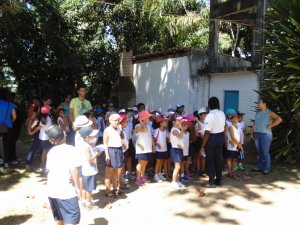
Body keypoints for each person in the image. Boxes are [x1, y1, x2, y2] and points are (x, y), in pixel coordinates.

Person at [46, 125, 81, 225]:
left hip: (52, 191)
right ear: (64, 134)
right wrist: (78, 188)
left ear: (52, 141)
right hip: (66, 192)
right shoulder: (71, 150)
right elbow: (74, 170)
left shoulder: (51, 152)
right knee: (72, 220)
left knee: (60, 218)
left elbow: (50, 171)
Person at [251, 98, 282, 175]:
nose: (258, 104)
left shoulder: (269, 113)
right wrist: (252, 133)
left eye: (259, 103)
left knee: (265, 152)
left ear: (264, 104)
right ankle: (259, 167)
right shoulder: (257, 113)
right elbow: (254, 124)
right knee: (259, 152)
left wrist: (271, 125)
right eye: (258, 103)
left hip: (266, 135)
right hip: (257, 134)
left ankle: (267, 168)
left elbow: (279, 119)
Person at [200, 97, 226, 188]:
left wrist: (202, 146)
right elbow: (223, 126)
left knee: (210, 160)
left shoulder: (209, 116)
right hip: (220, 136)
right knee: (218, 159)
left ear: (209, 104)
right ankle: (218, 180)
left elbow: (207, 132)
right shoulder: (222, 113)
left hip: (212, 138)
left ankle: (211, 182)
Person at [79, 126, 100, 210]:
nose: (94, 137)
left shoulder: (85, 144)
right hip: (89, 170)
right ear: (87, 137)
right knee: (89, 188)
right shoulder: (86, 146)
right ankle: (88, 205)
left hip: (86, 169)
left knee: (86, 186)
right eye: (92, 135)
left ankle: (85, 201)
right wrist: (96, 154)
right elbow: (89, 160)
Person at [103, 113, 124, 197]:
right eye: (115, 120)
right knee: (109, 171)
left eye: (118, 120)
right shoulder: (107, 130)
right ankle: (107, 191)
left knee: (116, 171)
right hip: (111, 150)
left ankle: (115, 188)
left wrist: (121, 129)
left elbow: (122, 138)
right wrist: (107, 155)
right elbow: (105, 143)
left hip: (118, 149)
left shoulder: (118, 129)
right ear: (110, 121)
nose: (117, 122)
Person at [29, 105, 52, 173]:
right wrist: (32, 132)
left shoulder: (45, 118)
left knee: (44, 152)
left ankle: (43, 166)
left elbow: (39, 127)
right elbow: (39, 127)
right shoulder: (46, 118)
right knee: (44, 152)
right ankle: (43, 167)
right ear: (48, 111)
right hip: (46, 138)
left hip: (44, 137)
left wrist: (32, 131)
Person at [134, 111, 154, 186]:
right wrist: (141, 121)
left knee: (145, 162)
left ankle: (142, 176)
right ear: (143, 118)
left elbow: (150, 136)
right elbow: (145, 130)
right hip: (141, 148)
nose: (149, 118)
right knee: (140, 163)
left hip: (147, 148)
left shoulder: (148, 125)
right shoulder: (138, 126)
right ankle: (138, 178)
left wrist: (153, 146)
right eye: (148, 117)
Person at [0, 88, 17, 167]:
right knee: (6, 144)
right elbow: (14, 117)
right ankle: (6, 162)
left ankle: (0, 160)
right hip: (8, 126)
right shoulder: (11, 104)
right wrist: (10, 122)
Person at [226, 113, 243, 178]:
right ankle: (229, 172)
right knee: (230, 158)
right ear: (231, 119)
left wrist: (240, 144)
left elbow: (240, 136)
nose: (236, 118)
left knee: (234, 159)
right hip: (231, 145)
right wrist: (239, 145)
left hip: (237, 146)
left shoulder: (238, 127)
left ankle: (232, 171)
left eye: (237, 117)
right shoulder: (230, 127)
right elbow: (232, 137)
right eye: (234, 118)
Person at [170, 115, 185, 190]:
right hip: (175, 149)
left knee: (178, 166)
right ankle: (173, 182)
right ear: (174, 122)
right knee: (177, 166)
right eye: (178, 120)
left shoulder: (177, 129)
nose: (180, 121)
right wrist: (182, 128)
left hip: (178, 149)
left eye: (180, 120)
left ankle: (177, 181)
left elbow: (180, 138)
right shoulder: (174, 129)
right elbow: (180, 137)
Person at [152, 115, 168, 183]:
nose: (166, 122)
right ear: (161, 123)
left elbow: (166, 139)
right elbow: (153, 139)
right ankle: (156, 175)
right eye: (165, 121)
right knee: (158, 162)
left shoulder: (165, 131)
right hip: (158, 149)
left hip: (164, 149)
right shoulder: (157, 130)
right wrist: (154, 147)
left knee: (161, 161)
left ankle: (159, 173)